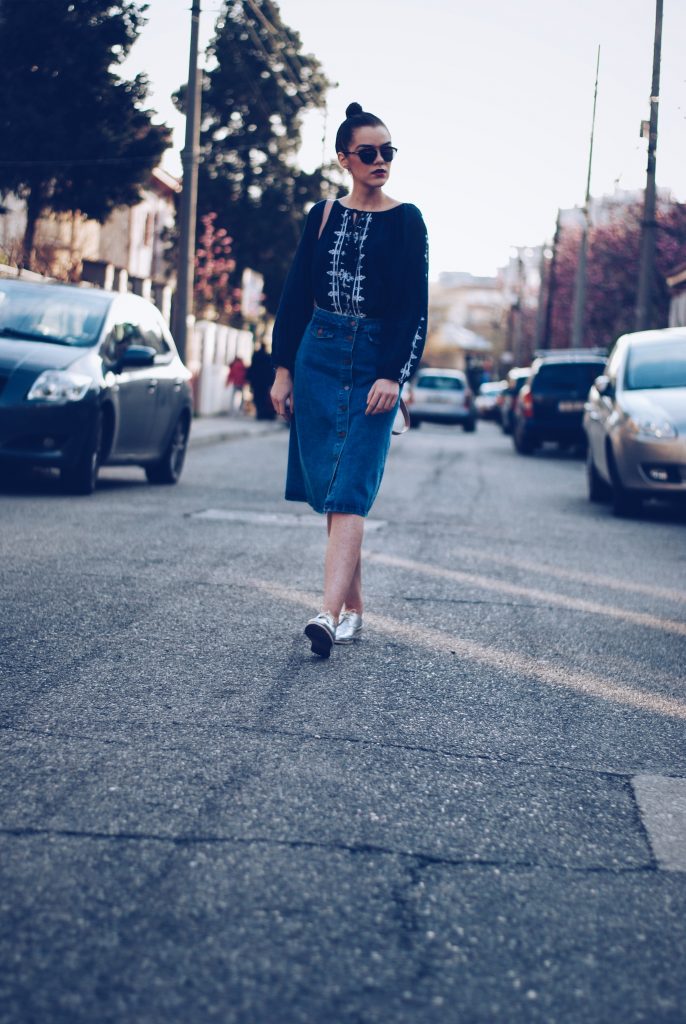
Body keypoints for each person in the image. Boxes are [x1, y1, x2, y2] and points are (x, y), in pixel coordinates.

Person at [270, 101, 428, 658]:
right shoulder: (322, 216)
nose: (381, 160)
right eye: (369, 152)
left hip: (373, 365)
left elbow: (414, 306)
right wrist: (283, 368)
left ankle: (327, 616)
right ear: (345, 158)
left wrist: (394, 375)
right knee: (332, 492)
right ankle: (355, 609)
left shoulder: (407, 220)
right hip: (318, 354)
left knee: (352, 487)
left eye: (388, 151)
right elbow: (294, 298)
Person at [247, 344, 276, 420]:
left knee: (257, 398)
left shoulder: (256, 356)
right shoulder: (267, 357)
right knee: (264, 397)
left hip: (256, 381)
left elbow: (252, 368)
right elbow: (270, 370)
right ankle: (264, 413)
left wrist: (250, 379)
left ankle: (259, 413)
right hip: (265, 382)